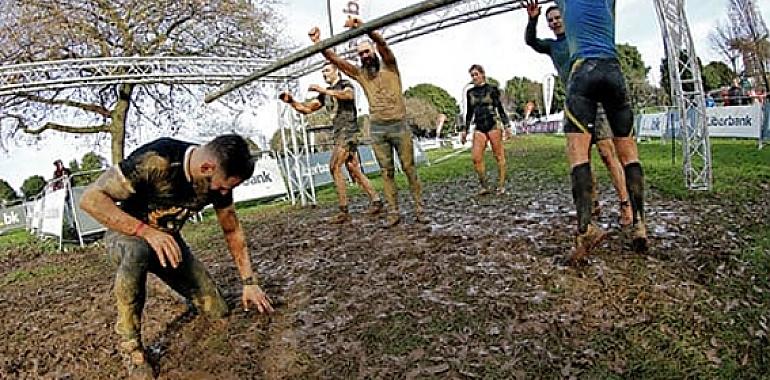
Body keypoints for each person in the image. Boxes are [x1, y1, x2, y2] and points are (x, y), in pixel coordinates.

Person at [79, 134, 273, 378]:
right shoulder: (156, 161)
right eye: (222, 187)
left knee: (218, 311)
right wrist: (145, 232)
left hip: (168, 241)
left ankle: (175, 289)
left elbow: (232, 229)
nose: (223, 193)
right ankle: (130, 346)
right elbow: (90, 200)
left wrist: (249, 282)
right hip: (127, 235)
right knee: (137, 251)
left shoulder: (219, 177)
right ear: (206, 168)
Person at [309, 17, 427, 227]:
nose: (364, 55)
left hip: (399, 125)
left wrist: (363, 27)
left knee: (409, 168)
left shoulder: (390, 65)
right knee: (386, 171)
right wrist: (319, 43)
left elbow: (382, 44)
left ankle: (419, 208)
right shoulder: (360, 74)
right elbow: (337, 61)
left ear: (373, 50)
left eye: (366, 51)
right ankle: (393, 212)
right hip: (378, 128)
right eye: (360, 53)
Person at [555, 0, 649, 263]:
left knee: (578, 154)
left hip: (583, 70)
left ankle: (586, 229)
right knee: (629, 154)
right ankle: (639, 224)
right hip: (612, 70)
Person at [524, 0, 632, 226]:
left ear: (567, 17)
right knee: (581, 157)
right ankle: (592, 204)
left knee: (607, 152)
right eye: (550, 20)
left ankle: (626, 205)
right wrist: (533, 19)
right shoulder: (553, 46)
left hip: (599, 99)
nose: (554, 23)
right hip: (576, 101)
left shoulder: (583, 34)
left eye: (557, 18)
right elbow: (531, 41)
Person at [280, 63, 383, 224]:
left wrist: (323, 90)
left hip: (348, 132)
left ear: (337, 71)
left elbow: (348, 96)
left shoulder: (345, 84)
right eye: (322, 72)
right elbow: (307, 109)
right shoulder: (324, 95)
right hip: (339, 133)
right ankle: (376, 201)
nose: (324, 74)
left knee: (334, 167)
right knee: (353, 168)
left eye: (327, 71)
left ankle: (344, 211)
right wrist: (292, 102)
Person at [462, 64, 510, 195]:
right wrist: (465, 130)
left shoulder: (492, 89)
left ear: (483, 74)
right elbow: (469, 112)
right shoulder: (470, 92)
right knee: (476, 157)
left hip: (493, 124)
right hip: (479, 126)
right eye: (472, 75)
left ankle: (501, 185)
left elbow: (500, 108)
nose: (474, 77)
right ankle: (484, 186)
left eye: (476, 74)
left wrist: (507, 126)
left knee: (499, 156)